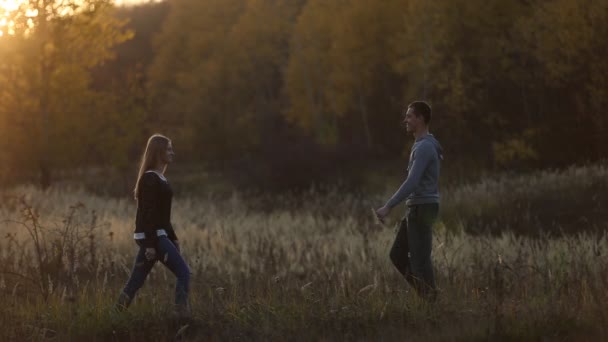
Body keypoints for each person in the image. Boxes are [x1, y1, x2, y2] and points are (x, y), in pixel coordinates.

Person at [115, 134, 191, 318]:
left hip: (159, 235)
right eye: (169, 149)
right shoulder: (150, 178)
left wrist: (173, 238)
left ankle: (114, 316)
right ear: (159, 152)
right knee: (184, 273)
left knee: (135, 282)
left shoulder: (160, 178)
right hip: (154, 237)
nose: (172, 153)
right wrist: (149, 243)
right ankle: (180, 317)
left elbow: (163, 216)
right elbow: (148, 213)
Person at [375, 101, 443, 302]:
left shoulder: (425, 147)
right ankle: (428, 297)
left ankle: (431, 302)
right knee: (397, 254)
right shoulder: (422, 145)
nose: (405, 120)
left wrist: (388, 206)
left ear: (421, 119)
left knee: (420, 261)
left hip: (423, 207)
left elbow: (412, 182)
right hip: (416, 207)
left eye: (410, 116)